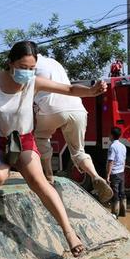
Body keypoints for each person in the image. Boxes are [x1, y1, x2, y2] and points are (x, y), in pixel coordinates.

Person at [0, 41, 107, 257]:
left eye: (32, 68)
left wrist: (91, 91)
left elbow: (68, 89)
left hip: (24, 142)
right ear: (10, 63)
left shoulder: (34, 82)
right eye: (23, 67)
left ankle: (69, 233)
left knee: (40, 183)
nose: (27, 73)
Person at [34, 54, 113, 203]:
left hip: (50, 107)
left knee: (42, 137)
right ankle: (95, 176)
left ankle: (49, 177)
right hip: (77, 107)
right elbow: (69, 88)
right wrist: (90, 91)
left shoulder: (28, 65)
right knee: (78, 151)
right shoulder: (54, 62)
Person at [106, 127, 127, 217]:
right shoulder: (123, 146)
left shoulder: (112, 146)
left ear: (111, 135)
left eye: (109, 134)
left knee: (115, 193)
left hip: (114, 173)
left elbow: (111, 161)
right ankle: (123, 211)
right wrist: (122, 169)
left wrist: (108, 175)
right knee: (122, 192)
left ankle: (115, 213)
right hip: (121, 172)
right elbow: (124, 160)